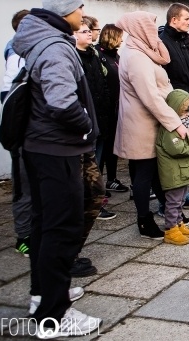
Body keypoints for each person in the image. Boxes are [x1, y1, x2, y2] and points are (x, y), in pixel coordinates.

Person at [12, 0, 101, 335]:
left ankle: (43, 293)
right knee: (62, 228)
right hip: (57, 149)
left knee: (44, 225)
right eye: (79, 9)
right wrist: (86, 129)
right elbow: (62, 102)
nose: (82, 15)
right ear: (66, 10)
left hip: (41, 147)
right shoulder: (54, 47)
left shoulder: (40, 40)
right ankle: (53, 315)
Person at [115, 11, 187, 240]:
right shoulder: (136, 56)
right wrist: (175, 122)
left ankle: (171, 217)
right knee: (144, 174)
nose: (154, 31)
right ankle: (144, 221)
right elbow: (150, 96)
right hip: (141, 125)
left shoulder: (144, 51)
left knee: (152, 173)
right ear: (139, 28)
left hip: (150, 122)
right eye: (150, 26)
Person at [158, 3, 189, 208]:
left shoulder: (185, 41)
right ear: (174, 20)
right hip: (175, 106)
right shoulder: (164, 41)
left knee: (186, 151)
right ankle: (168, 203)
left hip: (188, 103)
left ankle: (184, 195)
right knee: (174, 152)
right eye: (186, 18)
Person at [74, 19, 112, 225]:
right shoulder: (74, 58)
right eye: (83, 31)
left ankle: (96, 202)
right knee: (85, 168)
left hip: (100, 118)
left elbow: (103, 85)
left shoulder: (94, 55)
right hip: (84, 120)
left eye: (89, 31)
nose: (89, 34)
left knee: (97, 164)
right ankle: (86, 204)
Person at [2, 9, 31, 258]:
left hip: (35, 135)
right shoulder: (17, 55)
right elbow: (10, 97)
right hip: (23, 136)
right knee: (24, 188)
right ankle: (23, 237)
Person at [156, 90, 189, 245]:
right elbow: (179, 149)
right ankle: (170, 230)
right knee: (173, 202)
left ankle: (178, 223)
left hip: (181, 172)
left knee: (180, 200)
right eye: (185, 111)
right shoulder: (170, 131)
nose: (188, 114)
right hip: (173, 173)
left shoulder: (179, 128)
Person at [97, 24, 129, 195]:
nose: (122, 40)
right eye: (119, 36)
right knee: (102, 148)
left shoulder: (115, 56)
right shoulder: (99, 56)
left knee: (112, 146)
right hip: (106, 109)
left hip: (117, 108)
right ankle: (99, 183)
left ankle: (112, 179)